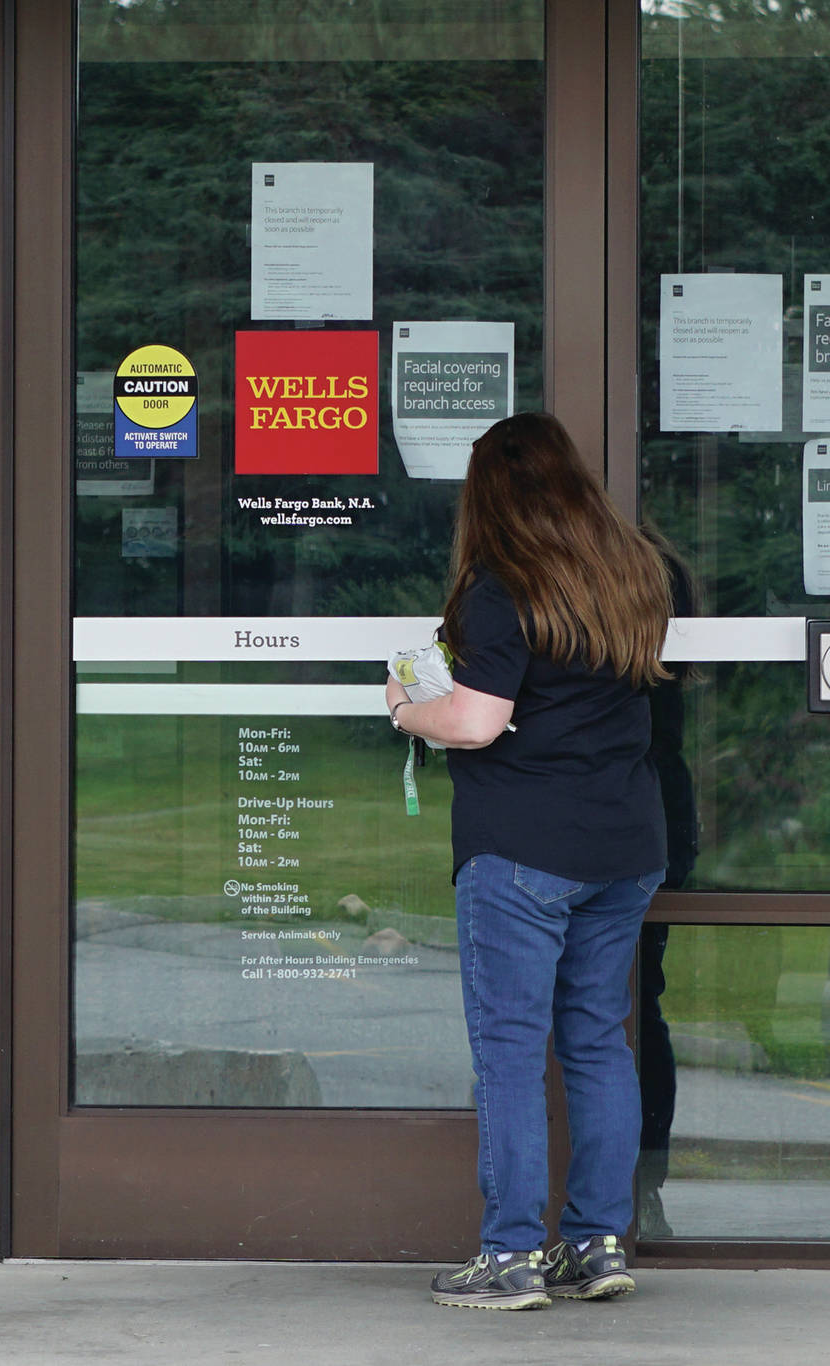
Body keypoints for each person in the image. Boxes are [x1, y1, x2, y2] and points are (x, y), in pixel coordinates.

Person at [387, 412, 671, 1310]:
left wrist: (403, 707)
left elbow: (475, 721)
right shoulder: (631, 575)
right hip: (625, 845)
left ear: (487, 497)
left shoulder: (501, 587)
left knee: (511, 1051)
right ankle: (596, 1242)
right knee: (596, 1039)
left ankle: (510, 1254)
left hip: (522, 850)